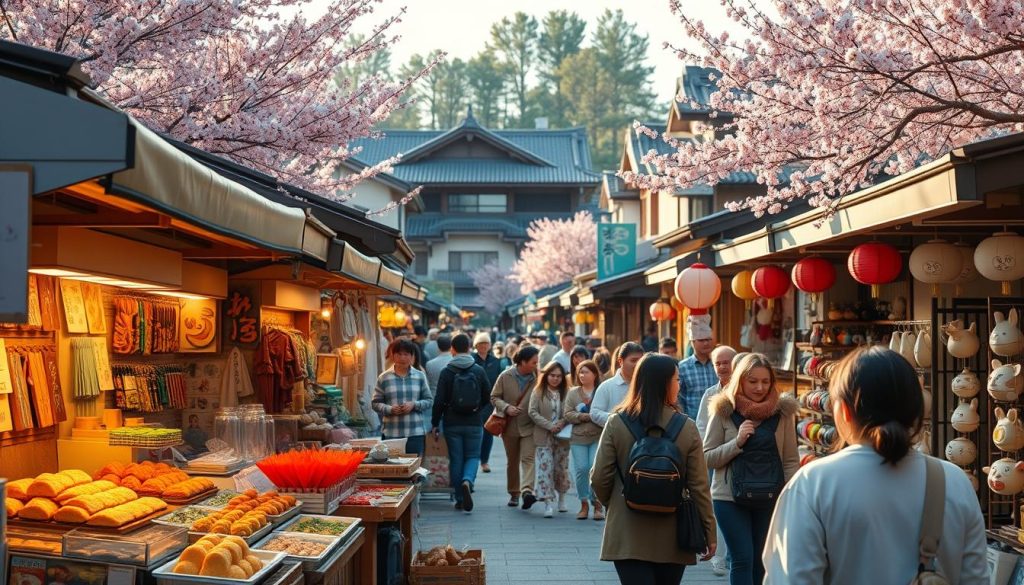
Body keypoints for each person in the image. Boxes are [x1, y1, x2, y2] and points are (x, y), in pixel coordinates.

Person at [763, 347, 988, 584]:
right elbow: (976, 578)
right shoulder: (954, 481)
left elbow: (790, 579)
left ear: (842, 411)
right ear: (918, 412)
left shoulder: (813, 483)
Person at [591, 353, 716, 585]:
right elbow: (699, 486)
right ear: (665, 383)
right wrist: (709, 530)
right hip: (673, 532)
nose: (680, 385)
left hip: (627, 530)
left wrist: (617, 504)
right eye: (677, 380)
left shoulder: (617, 422)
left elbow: (599, 477)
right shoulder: (686, 427)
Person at [704, 353, 799, 585]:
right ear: (740, 380)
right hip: (729, 498)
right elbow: (707, 458)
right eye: (753, 381)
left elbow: (790, 460)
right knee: (743, 558)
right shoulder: (723, 409)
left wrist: (787, 499)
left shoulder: (783, 412)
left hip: (770, 497)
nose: (759, 387)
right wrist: (736, 443)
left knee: (762, 560)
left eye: (765, 382)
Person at [431, 333, 491, 512]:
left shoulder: (447, 371)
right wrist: (478, 409)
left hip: (452, 422)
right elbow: (488, 396)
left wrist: (435, 423)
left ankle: (459, 498)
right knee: (473, 456)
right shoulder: (478, 370)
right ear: (470, 347)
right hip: (474, 422)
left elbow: (439, 400)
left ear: (453, 349)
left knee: (456, 459)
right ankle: (468, 480)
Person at [695, 345, 738, 577]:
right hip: (715, 456)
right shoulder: (711, 393)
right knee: (717, 507)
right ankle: (719, 557)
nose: (722, 367)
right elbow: (701, 424)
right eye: (718, 363)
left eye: (726, 362)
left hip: (739, 456)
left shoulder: (744, 390)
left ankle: (734, 555)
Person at [491, 345, 541, 508]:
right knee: (512, 461)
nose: (536, 365)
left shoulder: (537, 377)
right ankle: (514, 493)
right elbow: (494, 397)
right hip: (510, 427)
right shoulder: (506, 376)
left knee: (528, 458)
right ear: (523, 362)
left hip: (530, 426)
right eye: (534, 362)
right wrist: (506, 407)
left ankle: (527, 491)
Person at [372, 338, 434, 457]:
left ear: (412, 356)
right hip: (391, 433)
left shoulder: (420, 376)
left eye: (406, 354)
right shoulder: (384, 378)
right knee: (394, 470)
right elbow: (375, 403)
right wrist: (390, 409)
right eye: (399, 354)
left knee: (414, 469)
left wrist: (414, 405)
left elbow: (429, 400)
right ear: (393, 356)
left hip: (415, 432)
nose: (402, 358)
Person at [528, 361, 572, 518]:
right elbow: (532, 412)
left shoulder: (567, 392)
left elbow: (569, 412)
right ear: (546, 375)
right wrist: (549, 426)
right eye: (552, 375)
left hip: (562, 436)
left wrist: (560, 424)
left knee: (561, 468)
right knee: (545, 469)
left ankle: (562, 498)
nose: (555, 379)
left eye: (559, 376)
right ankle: (547, 503)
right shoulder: (538, 392)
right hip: (543, 435)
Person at [563, 359, 603, 520]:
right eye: (580, 371)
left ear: (594, 374)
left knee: (595, 469)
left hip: (598, 436)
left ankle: (597, 504)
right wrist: (584, 416)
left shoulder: (601, 391)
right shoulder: (573, 393)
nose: (582, 375)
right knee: (581, 469)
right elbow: (567, 413)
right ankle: (584, 503)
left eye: (586, 371)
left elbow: (607, 411)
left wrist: (595, 416)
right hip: (578, 438)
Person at [591, 343, 645, 427]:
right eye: (633, 360)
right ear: (620, 361)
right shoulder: (606, 386)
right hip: (615, 437)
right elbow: (595, 413)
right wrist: (617, 420)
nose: (637, 364)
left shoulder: (646, 385)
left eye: (640, 361)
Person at [473, 332, 503, 473]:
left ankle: (485, 461)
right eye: (481, 344)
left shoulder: (495, 362)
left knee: (488, 432)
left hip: (490, 402)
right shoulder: (471, 360)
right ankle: (474, 459)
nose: (484, 346)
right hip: (474, 402)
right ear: (476, 346)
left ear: (490, 346)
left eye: (486, 344)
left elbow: (499, 382)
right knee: (475, 432)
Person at [677, 325, 717, 418]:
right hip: (693, 422)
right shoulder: (682, 367)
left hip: (717, 419)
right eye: (701, 340)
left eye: (708, 339)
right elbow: (679, 398)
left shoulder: (718, 364)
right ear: (692, 342)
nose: (706, 343)